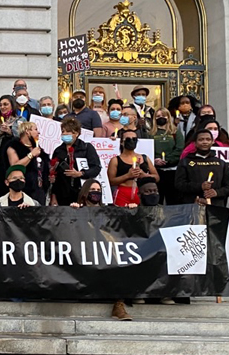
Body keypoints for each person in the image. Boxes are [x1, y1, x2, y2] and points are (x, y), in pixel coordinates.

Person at [68, 179, 134, 319]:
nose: (96, 193)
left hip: (106, 252)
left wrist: (132, 210)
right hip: (84, 254)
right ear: (85, 192)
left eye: (98, 190)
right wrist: (71, 211)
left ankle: (119, 306)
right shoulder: (77, 210)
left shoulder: (109, 210)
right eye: (92, 190)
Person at [175, 128, 229, 207]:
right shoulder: (185, 162)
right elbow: (179, 185)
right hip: (192, 206)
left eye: (208, 139)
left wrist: (217, 192)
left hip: (216, 209)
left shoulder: (221, 163)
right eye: (201, 140)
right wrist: (200, 186)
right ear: (195, 143)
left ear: (212, 142)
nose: (205, 142)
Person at [50, 117, 101, 206]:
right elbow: (55, 175)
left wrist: (81, 173)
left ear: (76, 133)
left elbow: (96, 167)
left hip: (81, 193)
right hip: (62, 195)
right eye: (63, 131)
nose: (64, 134)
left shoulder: (86, 148)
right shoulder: (58, 151)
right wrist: (53, 196)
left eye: (68, 132)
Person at [107, 129, 160, 207]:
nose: (131, 141)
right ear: (122, 142)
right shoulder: (115, 160)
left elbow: (157, 177)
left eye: (134, 139)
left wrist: (144, 175)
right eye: (128, 139)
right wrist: (128, 176)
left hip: (142, 192)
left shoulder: (144, 158)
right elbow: (111, 181)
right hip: (123, 192)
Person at [6, 121, 49, 204]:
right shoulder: (13, 147)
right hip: (22, 189)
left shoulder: (38, 149)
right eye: (35, 129)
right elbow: (15, 167)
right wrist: (31, 155)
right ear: (27, 131)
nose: (38, 132)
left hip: (39, 190)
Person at [150, 108, 185, 205]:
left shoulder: (175, 132)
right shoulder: (150, 134)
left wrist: (168, 160)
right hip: (156, 171)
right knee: (157, 201)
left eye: (163, 115)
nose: (161, 118)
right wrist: (154, 160)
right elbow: (147, 149)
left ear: (168, 117)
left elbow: (179, 148)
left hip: (172, 171)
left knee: (173, 200)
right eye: (158, 116)